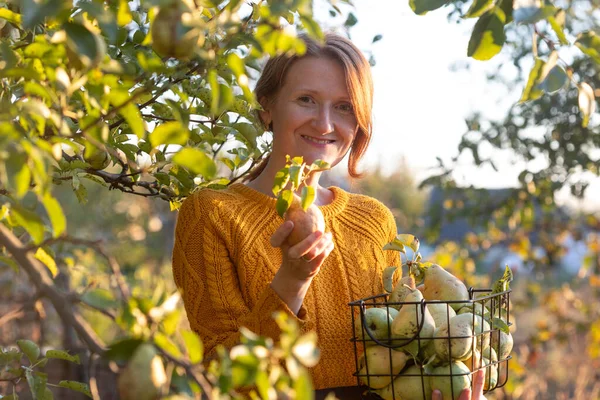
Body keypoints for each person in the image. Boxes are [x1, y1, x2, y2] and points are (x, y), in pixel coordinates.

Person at [171, 32, 486, 399]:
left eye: (344, 107)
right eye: (306, 100)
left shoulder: (373, 221)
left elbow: (397, 358)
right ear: (268, 106)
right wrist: (292, 280)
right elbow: (219, 372)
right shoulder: (213, 214)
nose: (324, 124)